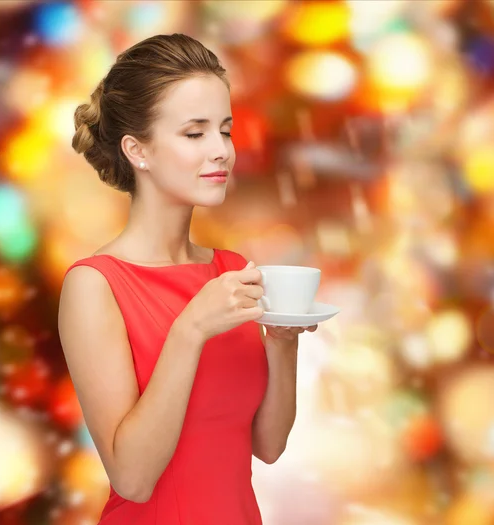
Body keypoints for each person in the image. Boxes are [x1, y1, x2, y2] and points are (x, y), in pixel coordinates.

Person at [58, 33, 316, 525]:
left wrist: (283, 343)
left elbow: (268, 445)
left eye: (226, 130)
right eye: (195, 134)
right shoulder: (95, 286)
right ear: (138, 150)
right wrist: (190, 330)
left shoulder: (230, 270)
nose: (220, 150)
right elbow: (132, 479)